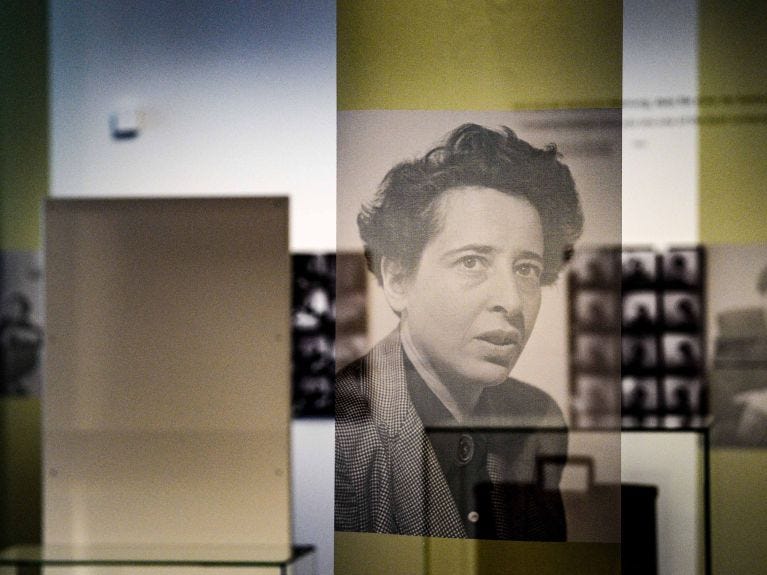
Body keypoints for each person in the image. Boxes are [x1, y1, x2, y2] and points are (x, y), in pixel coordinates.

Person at [335, 123, 583, 540]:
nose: (512, 301)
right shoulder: (337, 435)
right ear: (398, 279)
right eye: (472, 262)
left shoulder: (538, 419)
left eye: (526, 269)